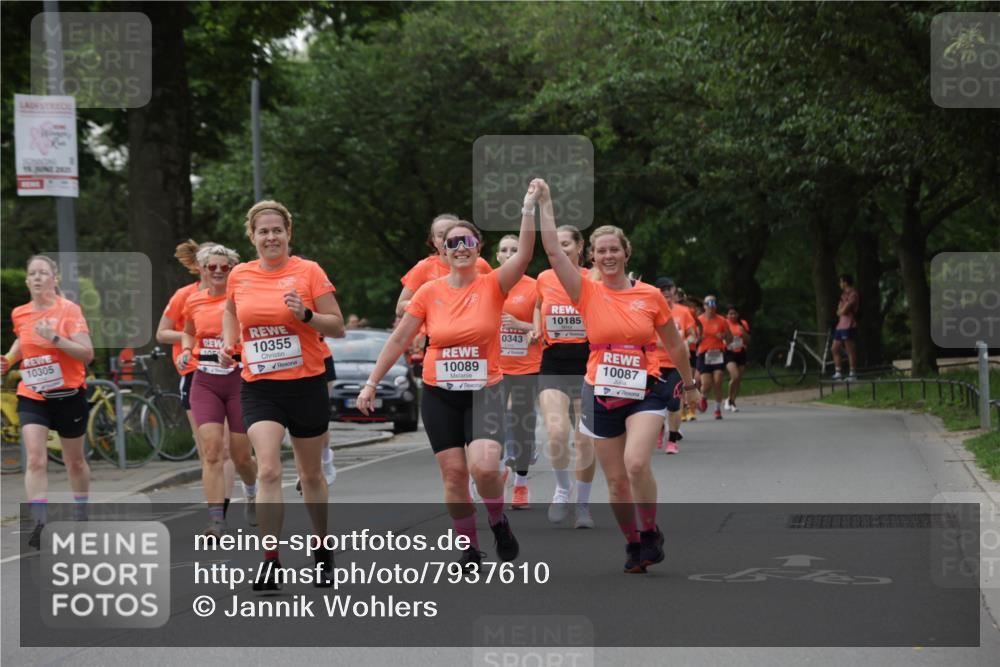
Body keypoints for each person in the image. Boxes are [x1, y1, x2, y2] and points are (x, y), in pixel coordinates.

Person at [358, 182, 539, 571]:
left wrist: (527, 208)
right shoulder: (428, 292)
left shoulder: (493, 284)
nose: (460, 248)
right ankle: (470, 549)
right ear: (442, 251)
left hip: (485, 390)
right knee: (455, 474)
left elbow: (524, 254)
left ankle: (497, 520)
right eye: (452, 243)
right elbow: (400, 339)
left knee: (486, 468)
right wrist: (372, 381)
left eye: (467, 241)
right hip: (440, 393)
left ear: (478, 248)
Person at [540, 204, 700, 573]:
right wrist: (542, 203)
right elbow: (552, 251)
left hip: (645, 388)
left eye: (615, 249)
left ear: (626, 253)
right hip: (600, 391)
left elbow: (675, 344)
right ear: (591, 256)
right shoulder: (585, 291)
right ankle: (632, 543)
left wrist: (689, 384)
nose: (608, 255)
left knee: (637, 463)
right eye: (601, 250)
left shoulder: (650, 296)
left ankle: (649, 532)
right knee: (614, 481)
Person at [220, 200, 346, 590]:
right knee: (270, 468)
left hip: (306, 383)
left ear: (288, 233)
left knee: (310, 474)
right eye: (263, 231)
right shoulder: (239, 275)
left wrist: (305, 315)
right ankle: (270, 560)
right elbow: (230, 312)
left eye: (277, 230)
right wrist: (229, 342)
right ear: (252, 237)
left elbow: (337, 326)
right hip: (260, 386)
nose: (271, 237)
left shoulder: (309, 272)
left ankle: (322, 547)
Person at [1, 256, 94, 549]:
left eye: (43, 273)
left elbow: (86, 353)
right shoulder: (20, 313)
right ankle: (40, 522)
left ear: (54, 279)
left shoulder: (69, 311)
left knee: (75, 462)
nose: (38, 277)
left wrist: (54, 337)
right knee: (36, 458)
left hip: (68, 395)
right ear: (28, 281)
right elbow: (22, 340)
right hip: (33, 395)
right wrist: (7, 360)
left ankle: (81, 514)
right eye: (32, 273)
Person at [178, 244, 259, 537]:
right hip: (205, 381)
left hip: (238, 380)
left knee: (241, 456)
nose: (218, 272)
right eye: (212, 267)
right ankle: (216, 520)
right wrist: (186, 349)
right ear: (202, 269)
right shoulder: (193, 301)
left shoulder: (242, 299)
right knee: (212, 451)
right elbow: (188, 330)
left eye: (224, 267)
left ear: (232, 269)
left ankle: (251, 492)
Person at [535, 224, 598, 529]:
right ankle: (562, 488)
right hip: (554, 364)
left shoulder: (593, 278)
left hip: (589, 364)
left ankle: (583, 506)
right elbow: (537, 306)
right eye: (554, 245)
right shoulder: (544, 278)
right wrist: (536, 327)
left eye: (565, 244)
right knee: (557, 434)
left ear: (579, 246)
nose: (559, 250)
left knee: (585, 441)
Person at [495, 234, 542, 510]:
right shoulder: (488, 284)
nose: (510, 253)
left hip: (526, 366)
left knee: (522, 422)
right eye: (504, 250)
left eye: (515, 249)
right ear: (498, 256)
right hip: (493, 368)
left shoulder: (535, 287)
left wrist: (520, 325)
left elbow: (542, 330)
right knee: (494, 424)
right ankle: (498, 472)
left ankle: (521, 484)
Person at [395, 213, 493, 317]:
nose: (447, 239)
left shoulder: (480, 264)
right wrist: (431, 305)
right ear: (434, 241)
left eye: (452, 235)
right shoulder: (424, 267)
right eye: (441, 235)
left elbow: (498, 297)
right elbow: (400, 309)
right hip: (434, 331)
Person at [654, 277, 697, 454]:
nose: (665, 292)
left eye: (668, 288)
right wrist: (675, 343)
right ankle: (659, 429)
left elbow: (693, 335)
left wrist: (686, 343)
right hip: (655, 364)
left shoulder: (684, 312)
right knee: (656, 403)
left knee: (674, 401)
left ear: (674, 291)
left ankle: (672, 440)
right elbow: (650, 338)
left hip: (676, 364)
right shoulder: (652, 311)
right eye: (661, 289)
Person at [696, 295, 732, 420]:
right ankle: (703, 397)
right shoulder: (699, 320)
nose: (711, 308)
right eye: (709, 305)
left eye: (713, 305)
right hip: (704, 354)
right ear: (704, 306)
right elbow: (694, 338)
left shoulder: (722, 320)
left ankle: (717, 409)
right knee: (706, 384)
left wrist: (723, 336)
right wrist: (698, 339)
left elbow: (730, 338)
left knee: (718, 381)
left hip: (718, 354)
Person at [832, 274, 859, 381]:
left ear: (845, 282)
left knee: (849, 349)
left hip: (849, 324)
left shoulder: (853, 294)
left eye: (841, 282)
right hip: (840, 325)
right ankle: (838, 373)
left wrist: (841, 310)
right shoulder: (843, 295)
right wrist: (841, 310)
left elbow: (844, 310)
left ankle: (853, 374)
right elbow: (838, 311)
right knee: (834, 348)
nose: (840, 284)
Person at [724, 305, 750, 412]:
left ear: (737, 314)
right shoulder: (725, 324)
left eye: (734, 313)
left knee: (738, 380)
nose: (732, 316)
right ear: (727, 315)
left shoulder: (743, 323)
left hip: (741, 352)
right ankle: (728, 400)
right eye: (730, 314)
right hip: (729, 352)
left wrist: (743, 332)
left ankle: (733, 401)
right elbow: (722, 337)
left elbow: (748, 340)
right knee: (735, 376)